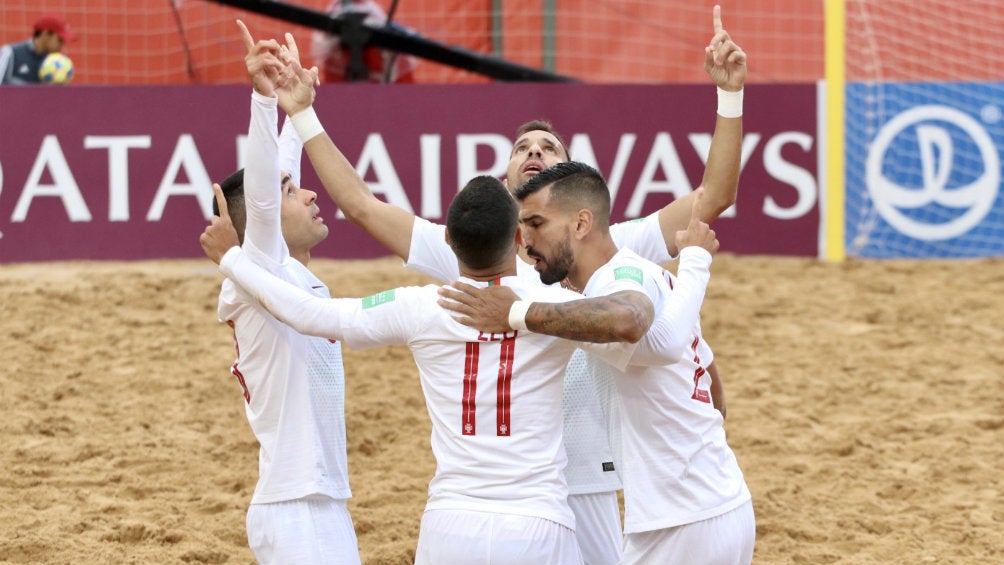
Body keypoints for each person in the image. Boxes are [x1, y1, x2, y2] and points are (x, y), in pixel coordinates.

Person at [258, 5, 745, 563]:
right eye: (522, 149)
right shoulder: (473, 248)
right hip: (516, 489)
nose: (535, 151)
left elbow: (712, 200)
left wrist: (728, 96)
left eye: (549, 148)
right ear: (505, 183)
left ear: (572, 193)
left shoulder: (608, 244)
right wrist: (302, 116)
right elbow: (363, 207)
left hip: (587, 474)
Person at [200, 164, 720, 565]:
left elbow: (308, 313)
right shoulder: (554, 307)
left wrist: (233, 260)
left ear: (446, 243)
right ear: (520, 239)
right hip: (537, 521)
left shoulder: (419, 306)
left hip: (450, 524)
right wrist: (692, 269)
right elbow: (644, 330)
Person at [440, 161, 755, 565]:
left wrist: (516, 314)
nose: (525, 238)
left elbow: (631, 324)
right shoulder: (644, 274)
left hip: (681, 520)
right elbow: (710, 388)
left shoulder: (617, 284)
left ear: (581, 224)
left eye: (536, 223)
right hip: (717, 502)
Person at [208, 22, 359, 564]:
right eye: (291, 189)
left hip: (318, 500)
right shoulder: (259, 266)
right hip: (296, 506)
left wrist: (298, 103)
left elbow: (278, 177)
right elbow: (267, 196)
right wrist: (261, 101)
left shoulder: (286, 273)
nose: (309, 190)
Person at [0, 13, 76, 85]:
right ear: (45, 34)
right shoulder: (11, 53)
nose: (62, 46)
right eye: (60, 40)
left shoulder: (59, 63)